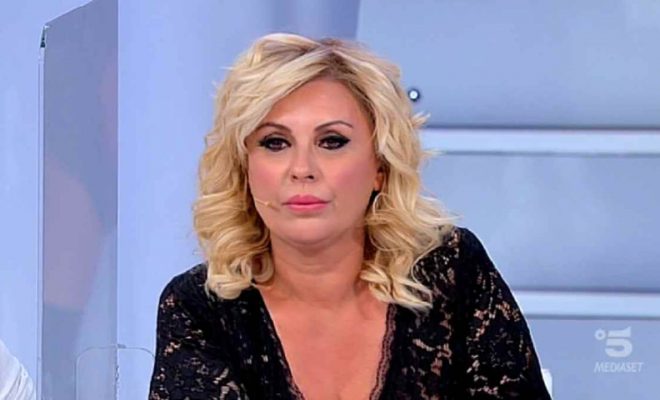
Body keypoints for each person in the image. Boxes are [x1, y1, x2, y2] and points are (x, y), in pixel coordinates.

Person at [149, 33, 552, 399]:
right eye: (275, 142)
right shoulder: (198, 308)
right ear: (244, 168)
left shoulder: (452, 270)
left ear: (380, 166)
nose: (302, 169)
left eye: (332, 141)